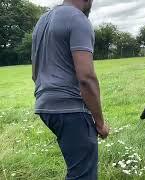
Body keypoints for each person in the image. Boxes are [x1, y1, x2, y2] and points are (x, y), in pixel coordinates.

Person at [31, 0, 109, 179]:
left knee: (76, 168)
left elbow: (35, 74)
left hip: (45, 105)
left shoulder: (42, 21)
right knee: (83, 175)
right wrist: (100, 123)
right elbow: (86, 78)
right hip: (71, 109)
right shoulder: (78, 19)